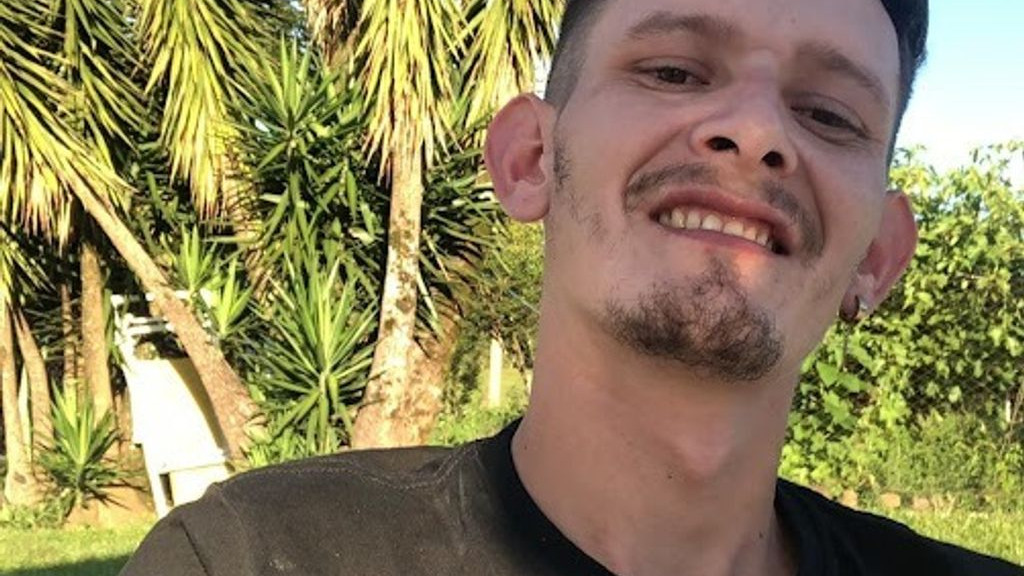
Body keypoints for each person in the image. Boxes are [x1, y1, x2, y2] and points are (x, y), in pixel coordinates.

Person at [121, 0, 1023, 574]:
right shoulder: (251, 558)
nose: (754, 130)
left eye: (827, 114)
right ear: (529, 160)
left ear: (878, 256)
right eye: (673, 71)